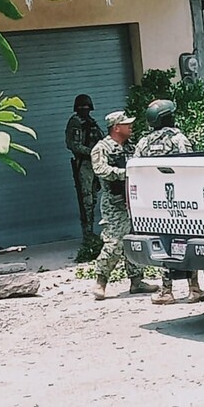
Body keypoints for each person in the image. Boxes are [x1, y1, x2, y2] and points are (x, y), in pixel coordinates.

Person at [134, 99, 204, 305]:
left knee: (164, 241)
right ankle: (194, 288)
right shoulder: (179, 139)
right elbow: (191, 167)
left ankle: (166, 291)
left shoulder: (143, 142)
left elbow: (136, 171)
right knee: (185, 240)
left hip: (156, 203)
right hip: (180, 201)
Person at [91, 111, 159, 300]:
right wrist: (125, 173)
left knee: (136, 239)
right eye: (127, 124)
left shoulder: (131, 146)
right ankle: (101, 281)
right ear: (116, 127)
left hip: (134, 200)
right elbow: (100, 169)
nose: (131, 127)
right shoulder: (102, 147)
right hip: (114, 203)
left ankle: (137, 281)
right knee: (115, 242)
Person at [65, 94, 104, 241]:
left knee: (93, 198)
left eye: (87, 107)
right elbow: (72, 144)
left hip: (95, 163)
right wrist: (91, 152)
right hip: (84, 164)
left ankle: (91, 231)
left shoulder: (91, 122)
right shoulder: (75, 123)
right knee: (86, 199)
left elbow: (101, 138)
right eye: (82, 107)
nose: (85, 109)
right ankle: (87, 232)